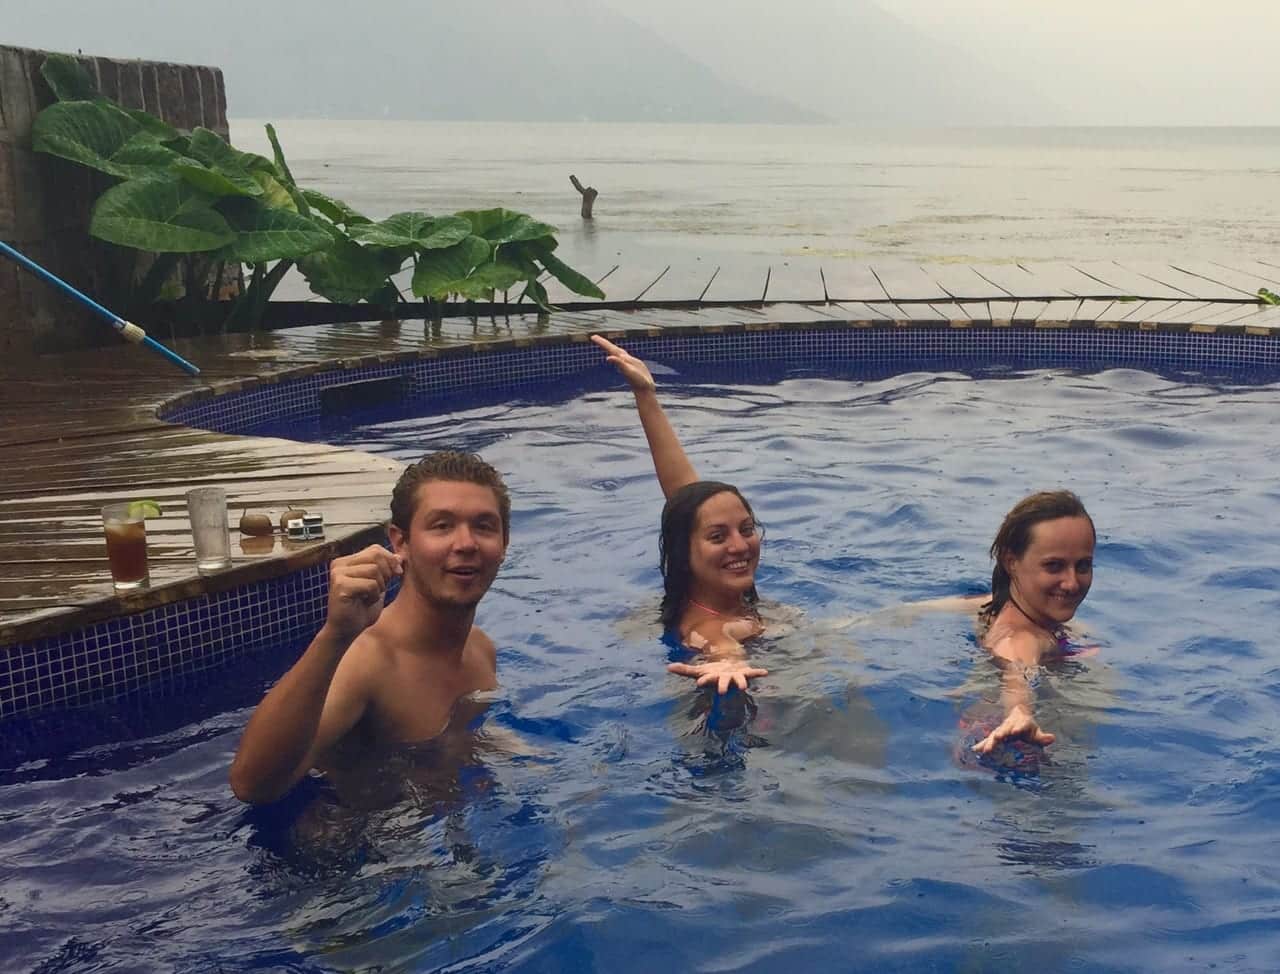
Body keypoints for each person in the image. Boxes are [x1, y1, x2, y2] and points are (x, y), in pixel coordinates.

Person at [229, 451, 510, 806]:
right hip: (360, 848)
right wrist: (335, 636)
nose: (466, 543)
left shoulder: (480, 650)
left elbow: (464, 745)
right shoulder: (365, 663)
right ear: (400, 542)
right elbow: (250, 786)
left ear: (503, 546)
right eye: (442, 526)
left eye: (484, 526)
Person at [592, 334, 769, 694]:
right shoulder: (712, 626)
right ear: (683, 552)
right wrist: (727, 663)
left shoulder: (718, 601)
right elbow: (720, 644)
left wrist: (646, 397)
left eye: (746, 529)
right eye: (718, 537)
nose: (740, 545)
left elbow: (686, 501)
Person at [969, 490, 1095, 756]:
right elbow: (1016, 669)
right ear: (1011, 562)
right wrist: (1019, 711)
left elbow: (941, 607)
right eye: (1054, 566)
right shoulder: (1021, 638)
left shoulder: (991, 607)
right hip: (1013, 749)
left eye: (1083, 566)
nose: (1072, 582)